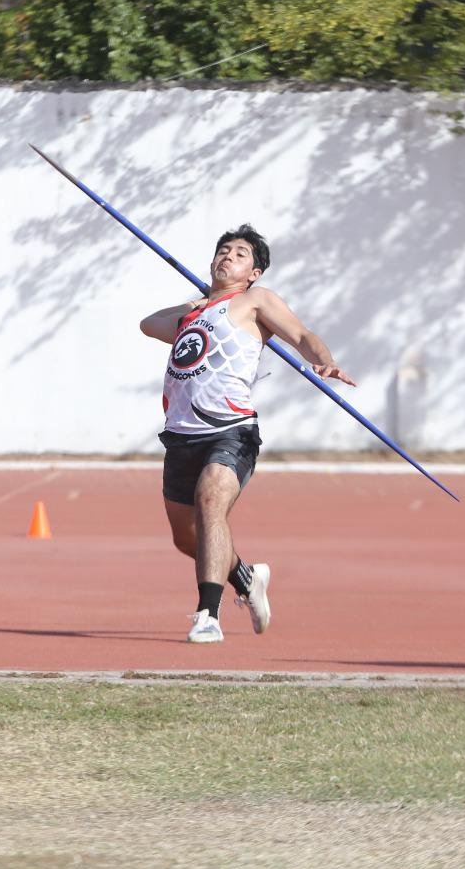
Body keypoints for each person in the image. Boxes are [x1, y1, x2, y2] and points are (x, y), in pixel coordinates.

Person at [139, 224, 356, 643]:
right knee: (189, 538)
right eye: (223, 250)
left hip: (230, 430)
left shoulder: (255, 301)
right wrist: (202, 301)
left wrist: (323, 360)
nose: (227, 256)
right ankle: (246, 577)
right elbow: (149, 324)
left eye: (239, 254)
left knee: (210, 501)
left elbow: (303, 336)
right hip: (181, 435)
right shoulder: (192, 313)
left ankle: (208, 615)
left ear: (254, 272)